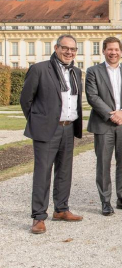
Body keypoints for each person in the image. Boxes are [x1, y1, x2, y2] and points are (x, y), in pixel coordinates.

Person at [20, 34, 84, 234]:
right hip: (47, 129)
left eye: (73, 49)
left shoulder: (76, 71)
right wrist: (39, 121)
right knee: (42, 173)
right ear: (56, 48)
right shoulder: (39, 69)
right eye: (65, 48)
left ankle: (61, 209)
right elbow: (26, 100)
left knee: (65, 171)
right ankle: (38, 217)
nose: (69, 52)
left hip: (69, 127)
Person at [85, 37, 122, 216]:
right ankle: (105, 201)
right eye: (110, 49)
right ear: (104, 51)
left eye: (116, 49)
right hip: (103, 123)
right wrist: (112, 114)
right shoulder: (93, 71)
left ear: (121, 51)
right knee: (103, 163)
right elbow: (92, 96)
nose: (113, 52)